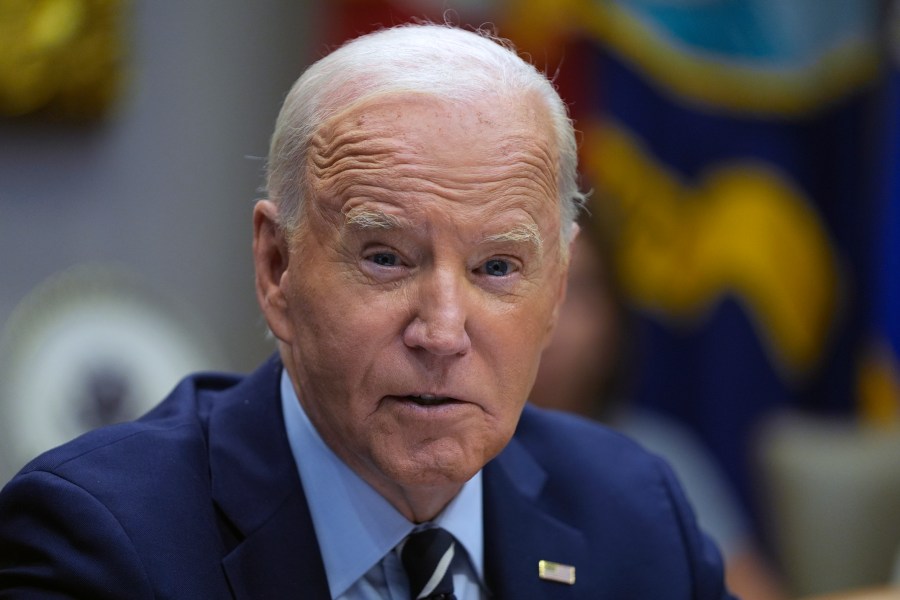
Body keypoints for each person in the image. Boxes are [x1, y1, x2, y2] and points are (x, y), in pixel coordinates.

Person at [0, 24, 735, 599]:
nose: (443, 333)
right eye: (386, 258)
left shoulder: (635, 516)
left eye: (498, 267)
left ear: (559, 288)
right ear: (276, 268)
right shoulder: (101, 542)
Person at [529, 226, 787, 600]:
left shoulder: (655, 459)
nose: (553, 318)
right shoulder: (450, 465)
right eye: (524, 281)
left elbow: (752, 591)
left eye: (577, 290)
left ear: (613, 321)